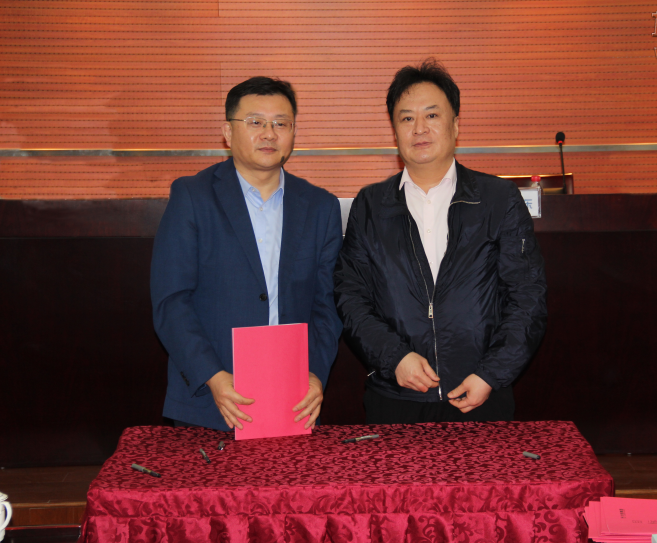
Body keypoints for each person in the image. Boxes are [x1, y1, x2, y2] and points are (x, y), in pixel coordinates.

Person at [334, 59, 547, 424]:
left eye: (432, 115)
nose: (419, 128)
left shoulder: (498, 199)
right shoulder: (370, 204)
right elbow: (351, 297)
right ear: (395, 131)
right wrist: (394, 358)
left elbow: (527, 298)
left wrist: (490, 374)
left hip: (480, 395)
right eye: (407, 118)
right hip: (396, 397)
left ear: (455, 125)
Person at [151, 76, 342, 431]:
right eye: (255, 122)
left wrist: (315, 374)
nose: (269, 134)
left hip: (294, 400)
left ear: (293, 132)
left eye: (281, 124)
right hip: (210, 400)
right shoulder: (192, 197)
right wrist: (213, 377)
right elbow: (171, 301)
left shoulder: (320, 207)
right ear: (228, 131)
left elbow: (326, 306)